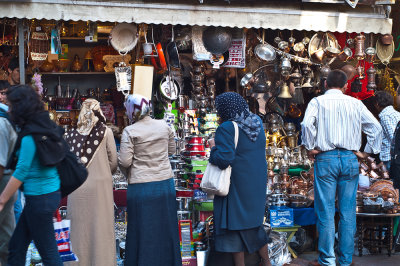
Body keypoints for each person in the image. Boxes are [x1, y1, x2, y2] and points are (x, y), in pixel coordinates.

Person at [301, 70, 383, 266]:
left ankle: (327, 260)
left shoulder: (317, 102)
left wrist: (311, 147)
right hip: (349, 159)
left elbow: (306, 124)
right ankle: (345, 261)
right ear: (346, 86)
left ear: (325, 84)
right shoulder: (355, 103)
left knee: (326, 212)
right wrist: (367, 152)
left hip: (326, 159)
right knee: (347, 212)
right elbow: (376, 128)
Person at [0, 85, 63, 265]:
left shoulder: (30, 135)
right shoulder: (41, 127)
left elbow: (21, 170)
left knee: (49, 253)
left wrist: (2, 200)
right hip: (43, 196)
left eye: (11, 106)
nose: (9, 110)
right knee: (16, 247)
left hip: (40, 198)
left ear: (21, 107)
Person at [208, 92, 271, 266]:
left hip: (236, 183)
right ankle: (266, 261)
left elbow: (224, 159)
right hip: (256, 181)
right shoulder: (256, 121)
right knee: (252, 224)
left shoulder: (227, 127)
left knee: (234, 224)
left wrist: (213, 148)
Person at [118, 94, 181, 266]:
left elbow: (124, 161)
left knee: (142, 230)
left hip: (141, 187)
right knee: (165, 228)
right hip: (164, 184)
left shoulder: (130, 131)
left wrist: (129, 173)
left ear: (132, 111)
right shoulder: (164, 126)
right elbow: (171, 150)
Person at [64, 99, 118, 266]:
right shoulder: (106, 132)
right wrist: (104, 170)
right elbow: (114, 161)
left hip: (77, 189)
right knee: (101, 228)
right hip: (101, 188)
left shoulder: (69, 135)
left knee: (79, 231)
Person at [0, 82, 17, 265]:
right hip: (8, 184)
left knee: (5, 236)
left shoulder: (2, 122)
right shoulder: (7, 120)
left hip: (4, 184)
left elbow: (0, 164)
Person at [373, 91, 400, 170]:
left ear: (377, 104)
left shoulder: (385, 116)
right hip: (395, 157)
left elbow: (393, 137)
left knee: (391, 181)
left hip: (390, 157)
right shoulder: (397, 114)